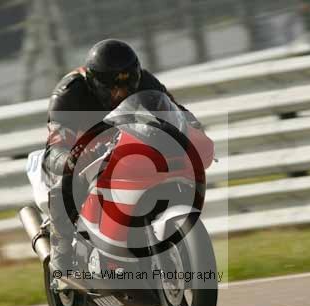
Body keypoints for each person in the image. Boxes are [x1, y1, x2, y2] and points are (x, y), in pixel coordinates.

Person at [42, 38, 202, 276]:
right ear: (95, 82)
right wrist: (70, 158)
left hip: (127, 144)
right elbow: (54, 145)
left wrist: (193, 129)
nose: (121, 93)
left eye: (128, 85)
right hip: (84, 150)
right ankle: (61, 254)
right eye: (113, 87)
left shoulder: (145, 81)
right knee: (64, 182)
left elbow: (177, 110)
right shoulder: (69, 93)